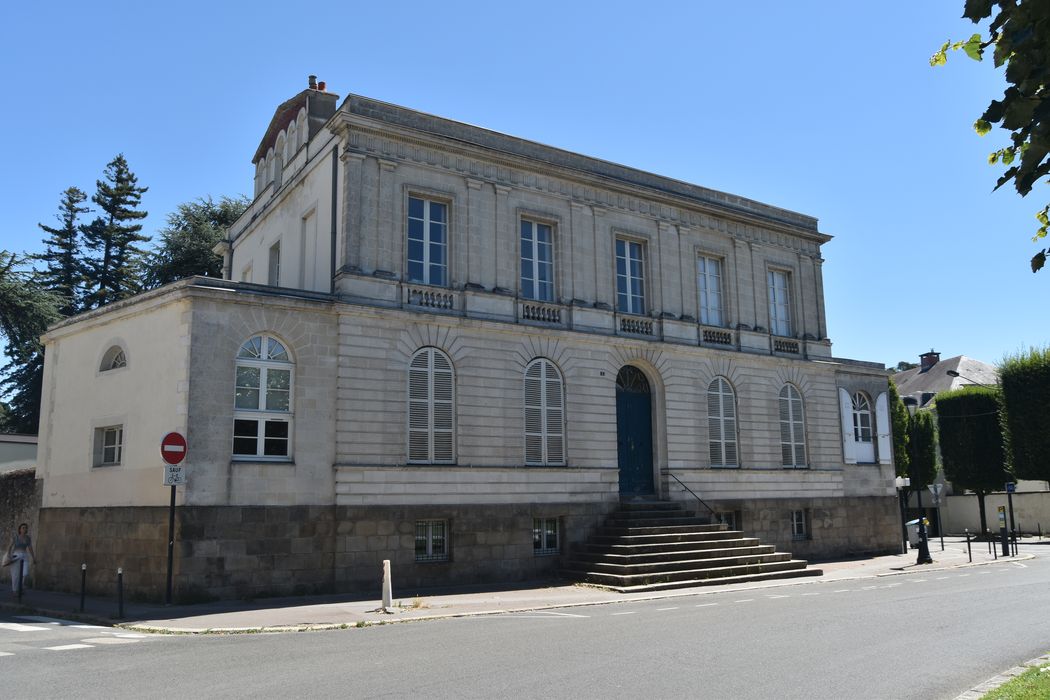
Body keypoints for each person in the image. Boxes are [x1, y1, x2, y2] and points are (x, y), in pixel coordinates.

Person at [8, 523, 36, 594]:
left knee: (25, 572)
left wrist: (33, 558)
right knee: (15, 574)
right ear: (20, 529)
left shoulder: (28, 538)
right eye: (23, 528)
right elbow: (10, 546)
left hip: (24, 555)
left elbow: (30, 548)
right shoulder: (16, 537)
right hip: (16, 555)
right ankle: (15, 590)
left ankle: (21, 587)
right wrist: (9, 555)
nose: (24, 529)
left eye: (25, 528)